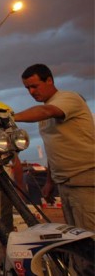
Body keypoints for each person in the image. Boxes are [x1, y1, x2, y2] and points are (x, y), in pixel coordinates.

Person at [13, 63, 95, 232]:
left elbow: (46, 111)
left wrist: (11, 117)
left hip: (84, 180)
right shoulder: (45, 112)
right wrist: (50, 182)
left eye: (35, 86)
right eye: (27, 88)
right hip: (65, 184)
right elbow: (53, 150)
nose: (31, 92)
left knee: (89, 237)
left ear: (49, 80)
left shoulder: (67, 98)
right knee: (76, 235)